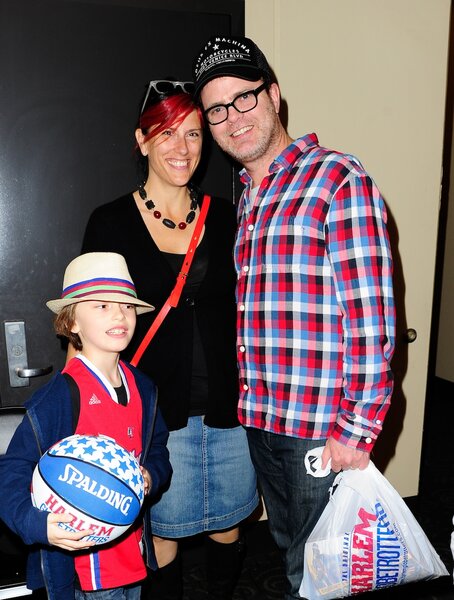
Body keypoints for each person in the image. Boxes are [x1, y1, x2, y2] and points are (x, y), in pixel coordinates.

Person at [192, 35, 396, 599]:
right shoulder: (248, 199)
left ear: (274, 96)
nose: (233, 118)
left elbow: (372, 318)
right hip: (263, 420)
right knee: (295, 559)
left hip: (319, 431)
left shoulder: (336, 179)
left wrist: (356, 430)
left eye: (244, 98)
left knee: (326, 578)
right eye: (216, 110)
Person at [79, 79, 259, 599]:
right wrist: (85, 410)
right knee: (161, 542)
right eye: (166, 133)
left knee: (229, 529)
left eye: (194, 135)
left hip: (230, 408)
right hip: (154, 416)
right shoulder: (110, 222)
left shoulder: (228, 215)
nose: (181, 148)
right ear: (142, 139)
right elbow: (87, 320)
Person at [0, 252, 171, 600]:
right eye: (102, 306)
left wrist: (151, 475)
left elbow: (157, 450)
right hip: (82, 572)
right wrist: (36, 524)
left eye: (126, 306)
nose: (119, 314)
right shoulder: (59, 398)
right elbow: (11, 471)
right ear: (72, 322)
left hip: (131, 554)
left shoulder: (144, 388)